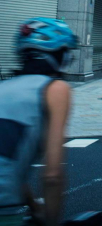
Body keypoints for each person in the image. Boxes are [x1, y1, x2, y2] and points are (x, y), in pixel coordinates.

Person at [0, 17, 78, 226]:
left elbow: (8, 160)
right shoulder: (55, 90)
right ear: (60, 56)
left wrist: (34, 208)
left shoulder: (3, 88)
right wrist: (50, 219)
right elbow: (52, 175)